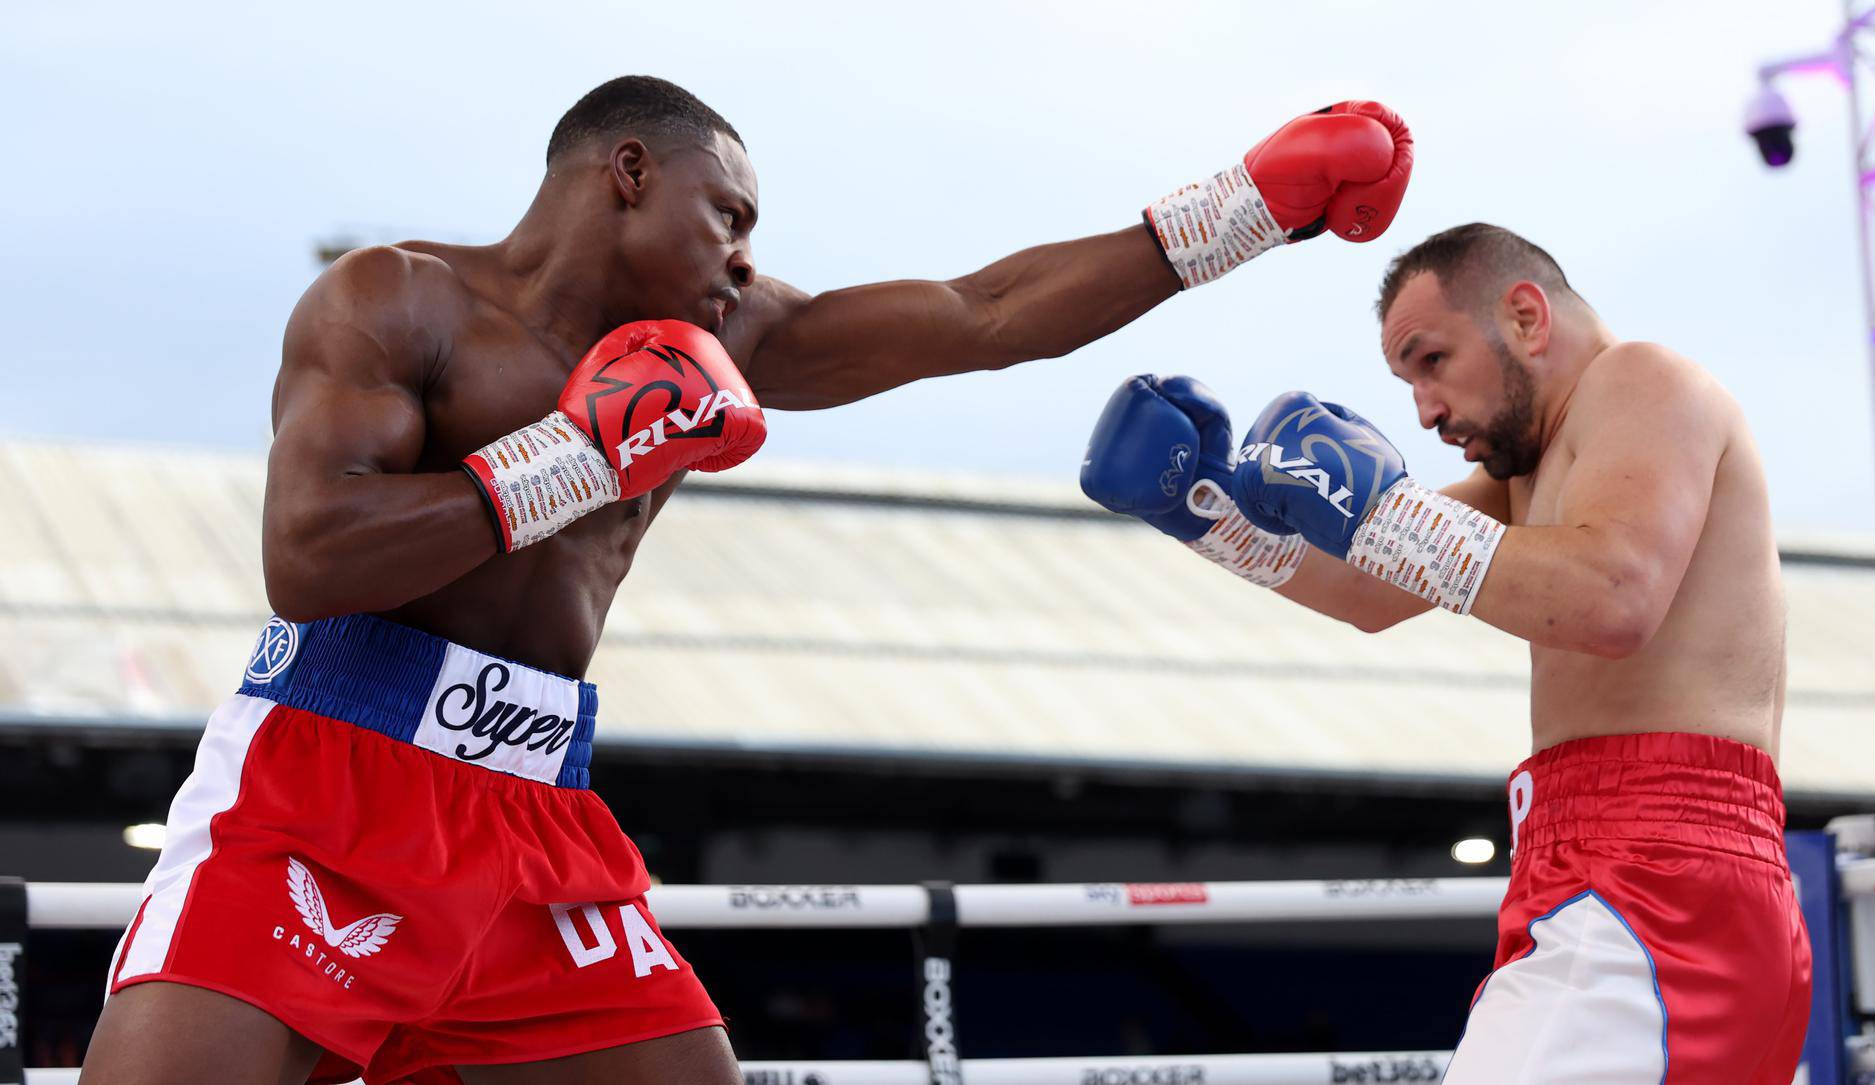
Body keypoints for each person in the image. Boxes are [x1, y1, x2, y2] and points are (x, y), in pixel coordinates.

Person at [78, 77, 1412, 1085]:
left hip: (531, 816)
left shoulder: (729, 337)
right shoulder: (397, 302)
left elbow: (979, 312)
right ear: (626, 171)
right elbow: (307, 559)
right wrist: (576, 457)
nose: (743, 260)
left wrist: (1245, 206)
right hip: (329, 777)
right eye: (727, 216)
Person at [1081, 222, 1810, 1083]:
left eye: (1431, 360)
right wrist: (1203, 512)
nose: (1423, 411)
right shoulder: (1532, 471)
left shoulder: (1643, 381)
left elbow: (1612, 598)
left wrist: (1383, 511)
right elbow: (1370, 590)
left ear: (1526, 318)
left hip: (1652, 884)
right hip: (1638, 877)